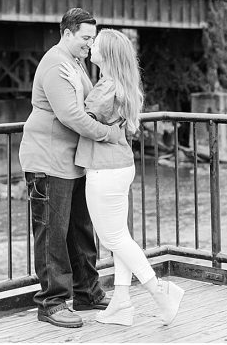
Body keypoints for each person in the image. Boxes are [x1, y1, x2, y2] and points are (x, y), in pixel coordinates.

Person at [60, 28, 185, 326]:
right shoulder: (119, 84)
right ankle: (121, 303)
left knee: (113, 238)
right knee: (120, 237)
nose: (92, 46)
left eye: (97, 44)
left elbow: (79, 117)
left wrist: (71, 78)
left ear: (108, 54)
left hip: (105, 169)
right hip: (119, 167)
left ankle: (160, 291)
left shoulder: (106, 88)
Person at [18, 7, 127, 328]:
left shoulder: (75, 63)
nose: (89, 45)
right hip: (48, 161)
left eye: (92, 39)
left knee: (80, 230)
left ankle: (87, 292)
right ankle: (51, 303)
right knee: (52, 233)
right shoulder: (55, 64)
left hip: (73, 161)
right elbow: (72, 115)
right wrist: (110, 134)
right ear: (67, 33)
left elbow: (89, 105)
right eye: (85, 38)